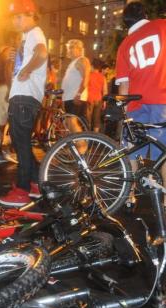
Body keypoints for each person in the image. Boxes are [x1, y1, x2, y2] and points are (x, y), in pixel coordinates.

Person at [115, 1, 166, 207]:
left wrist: (123, 115)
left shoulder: (125, 45)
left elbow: (124, 86)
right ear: (145, 14)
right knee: (164, 152)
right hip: (163, 99)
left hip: (137, 103)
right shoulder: (162, 25)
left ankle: (129, 196)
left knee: (131, 150)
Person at [0, 0, 48, 207]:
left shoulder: (36, 32)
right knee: (22, 143)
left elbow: (42, 53)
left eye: (18, 17)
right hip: (24, 97)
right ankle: (34, 183)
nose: (15, 21)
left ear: (30, 15)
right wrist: (17, 56)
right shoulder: (28, 36)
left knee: (21, 144)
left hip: (24, 97)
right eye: (13, 18)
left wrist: (26, 70)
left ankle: (22, 190)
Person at [61, 39, 91, 127]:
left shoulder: (81, 60)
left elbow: (86, 78)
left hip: (75, 97)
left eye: (71, 47)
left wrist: (78, 94)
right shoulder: (73, 62)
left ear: (79, 49)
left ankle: (82, 141)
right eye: (68, 47)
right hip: (70, 98)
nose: (68, 50)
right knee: (69, 123)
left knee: (72, 123)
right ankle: (78, 140)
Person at [87, 58, 107, 132]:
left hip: (89, 100)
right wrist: (104, 102)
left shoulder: (88, 75)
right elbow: (105, 91)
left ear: (92, 66)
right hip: (98, 100)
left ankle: (87, 136)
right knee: (96, 120)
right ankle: (95, 138)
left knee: (87, 120)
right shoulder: (103, 77)